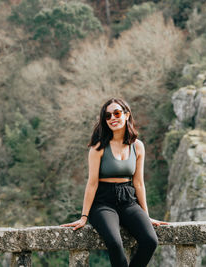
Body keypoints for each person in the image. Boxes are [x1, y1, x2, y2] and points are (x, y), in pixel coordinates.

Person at [61, 98, 168, 267]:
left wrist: (145, 215)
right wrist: (84, 216)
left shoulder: (137, 146)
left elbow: (138, 183)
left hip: (128, 200)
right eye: (107, 115)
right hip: (103, 203)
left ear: (127, 115)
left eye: (117, 113)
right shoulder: (98, 147)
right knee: (115, 243)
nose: (112, 118)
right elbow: (92, 183)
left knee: (150, 241)